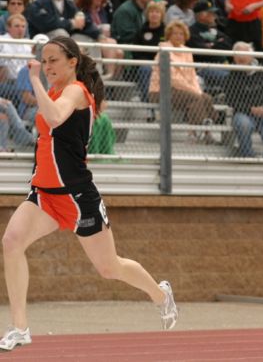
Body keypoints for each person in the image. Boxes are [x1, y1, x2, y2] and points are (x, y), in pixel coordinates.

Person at [0, 36, 177, 352]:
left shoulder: (77, 92)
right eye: (44, 59)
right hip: (44, 193)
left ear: (72, 62)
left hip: (77, 196)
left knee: (110, 268)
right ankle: (20, 327)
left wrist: (35, 80)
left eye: (53, 59)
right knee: (11, 243)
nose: (48, 65)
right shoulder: (54, 91)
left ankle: (160, 293)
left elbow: (54, 117)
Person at [224, 41, 263, 158]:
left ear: (251, 56)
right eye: (237, 55)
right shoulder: (231, 76)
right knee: (243, 124)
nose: (240, 58)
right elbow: (231, 100)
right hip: (243, 113)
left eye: (243, 54)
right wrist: (251, 109)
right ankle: (247, 155)